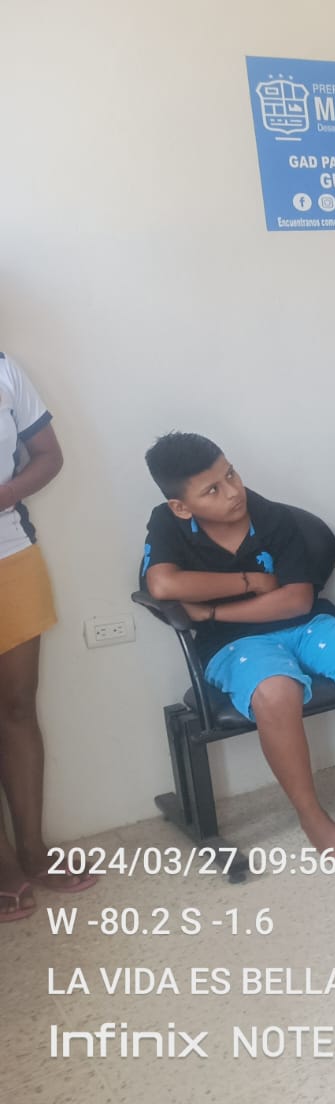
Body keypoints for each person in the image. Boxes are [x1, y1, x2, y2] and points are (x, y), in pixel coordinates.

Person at [141, 433, 335, 869]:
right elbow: (163, 584)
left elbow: (297, 601)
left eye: (231, 474)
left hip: (305, 624)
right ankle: (315, 823)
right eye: (213, 489)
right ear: (181, 506)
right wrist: (251, 582)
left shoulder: (268, 515)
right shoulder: (168, 524)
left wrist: (211, 611)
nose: (233, 491)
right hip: (232, 645)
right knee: (276, 692)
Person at [0, 352, 92, 922]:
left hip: (10, 556)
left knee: (17, 706)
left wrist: (5, 494)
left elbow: (48, 455)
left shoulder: (5, 369)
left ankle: (33, 849)